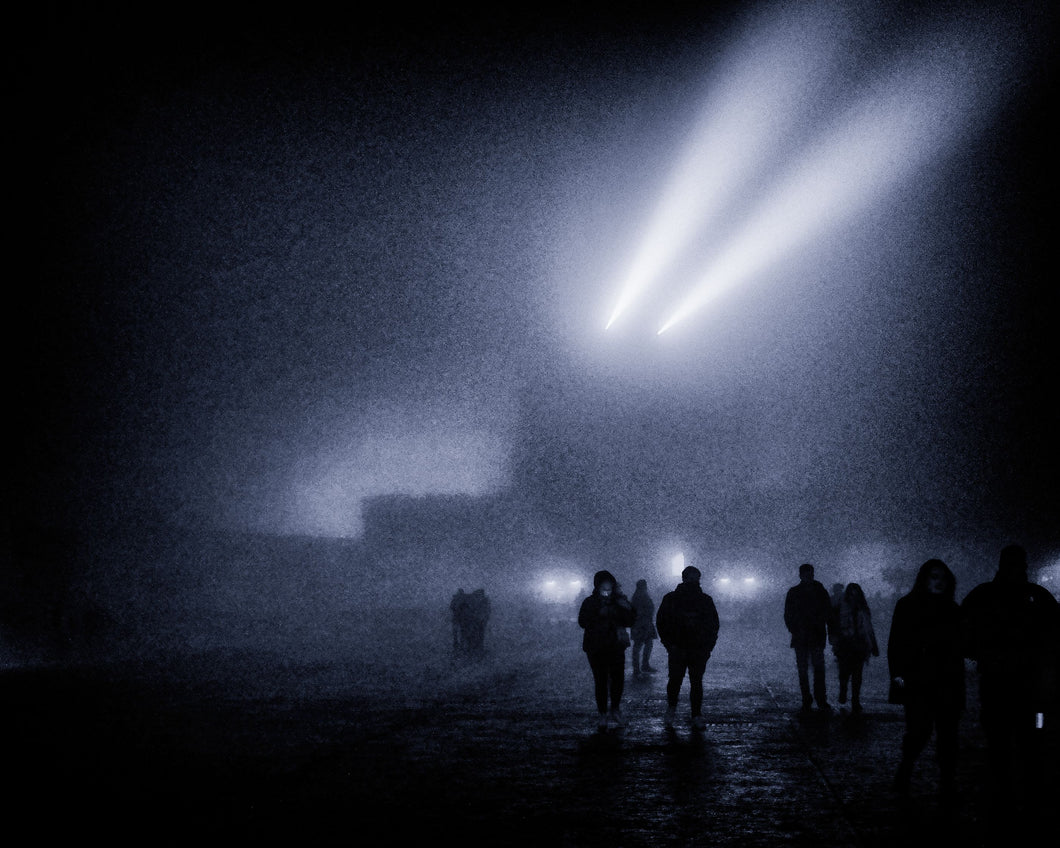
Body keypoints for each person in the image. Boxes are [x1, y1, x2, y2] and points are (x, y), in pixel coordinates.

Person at [960, 544, 1060, 811]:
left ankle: (1005, 788)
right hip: (1026, 681)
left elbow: (963, 628)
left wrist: (980, 652)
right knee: (1026, 737)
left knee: (1001, 737)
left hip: (1000, 679)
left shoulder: (984, 594)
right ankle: (1027, 788)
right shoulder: (1036, 596)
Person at [887, 559, 964, 801]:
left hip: (948, 680)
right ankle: (906, 769)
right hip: (919, 680)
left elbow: (961, 643)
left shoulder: (952, 609)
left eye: (942, 577)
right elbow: (896, 642)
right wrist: (898, 673)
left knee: (948, 734)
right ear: (924, 579)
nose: (938, 582)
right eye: (934, 576)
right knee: (919, 731)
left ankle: (946, 781)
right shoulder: (908, 606)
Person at [655, 565, 720, 730]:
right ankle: (691, 714)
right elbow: (713, 625)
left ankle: (681, 711)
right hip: (686, 647)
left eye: (695, 578)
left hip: (688, 647)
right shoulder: (704, 600)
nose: (693, 581)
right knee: (684, 681)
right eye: (692, 578)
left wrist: (669, 643)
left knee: (686, 681)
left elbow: (713, 625)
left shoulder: (672, 598)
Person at [578, 570, 636, 730]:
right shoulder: (590, 602)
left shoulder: (619, 601)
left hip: (615, 646)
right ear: (597, 587)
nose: (607, 592)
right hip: (596, 647)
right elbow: (582, 621)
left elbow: (630, 620)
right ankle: (603, 713)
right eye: (604, 588)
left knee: (618, 679)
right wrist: (598, 615)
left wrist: (626, 608)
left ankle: (615, 709)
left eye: (610, 588)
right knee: (601, 680)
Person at [784, 563, 833, 713]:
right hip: (813, 635)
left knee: (805, 669)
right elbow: (828, 613)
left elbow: (788, 614)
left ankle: (809, 698)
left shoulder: (795, 592)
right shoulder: (820, 591)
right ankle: (818, 698)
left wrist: (795, 629)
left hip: (804, 636)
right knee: (816, 669)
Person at [832, 582, 879, 713]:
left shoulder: (863, 609)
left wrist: (873, 645)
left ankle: (855, 700)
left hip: (859, 645)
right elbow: (834, 626)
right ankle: (844, 691)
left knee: (857, 674)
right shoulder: (841, 608)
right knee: (844, 672)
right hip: (845, 644)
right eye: (852, 594)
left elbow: (869, 628)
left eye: (855, 594)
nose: (853, 597)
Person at [630, 579, 659, 678]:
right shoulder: (640, 596)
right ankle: (639, 667)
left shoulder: (638, 596)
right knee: (640, 645)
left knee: (645, 644)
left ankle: (641, 666)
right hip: (642, 624)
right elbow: (641, 611)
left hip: (643, 624)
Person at [463, 588, 491, 658]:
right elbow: (487, 611)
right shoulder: (484, 601)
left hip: (476, 620)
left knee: (475, 634)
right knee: (477, 634)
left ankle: (474, 649)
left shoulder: (479, 601)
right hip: (479, 620)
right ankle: (477, 649)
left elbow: (473, 610)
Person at [450, 588, 468, 656]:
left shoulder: (456, 599)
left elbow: (451, 607)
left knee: (457, 631)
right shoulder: (464, 599)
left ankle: (457, 643)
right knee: (460, 631)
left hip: (457, 618)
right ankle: (460, 643)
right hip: (460, 618)